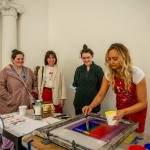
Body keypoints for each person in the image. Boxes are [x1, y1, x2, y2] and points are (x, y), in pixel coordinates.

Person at [82, 43, 148, 133]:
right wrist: (91, 106)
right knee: (121, 135)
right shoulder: (109, 73)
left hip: (136, 112)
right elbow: (101, 94)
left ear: (124, 58)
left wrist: (124, 112)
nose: (111, 62)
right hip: (120, 110)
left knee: (134, 138)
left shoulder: (137, 74)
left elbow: (142, 103)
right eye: (109, 59)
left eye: (115, 59)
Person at [0, 49, 38, 150]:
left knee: (23, 126)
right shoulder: (5, 71)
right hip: (10, 105)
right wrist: (9, 98)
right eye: (18, 59)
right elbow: (1, 86)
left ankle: (19, 146)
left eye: (22, 59)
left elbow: (35, 82)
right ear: (13, 60)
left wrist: (34, 92)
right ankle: (6, 147)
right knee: (9, 128)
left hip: (25, 103)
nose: (20, 61)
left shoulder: (28, 71)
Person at [72, 44, 104, 115]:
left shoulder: (98, 70)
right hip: (79, 104)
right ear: (81, 58)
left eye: (88, 57)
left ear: (92, 56)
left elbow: (101, 88)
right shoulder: (78, 69)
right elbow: (74, 85)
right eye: (84, 58)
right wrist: (75, 88)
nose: (86, 60)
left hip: (92, 105)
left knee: (92, 125)